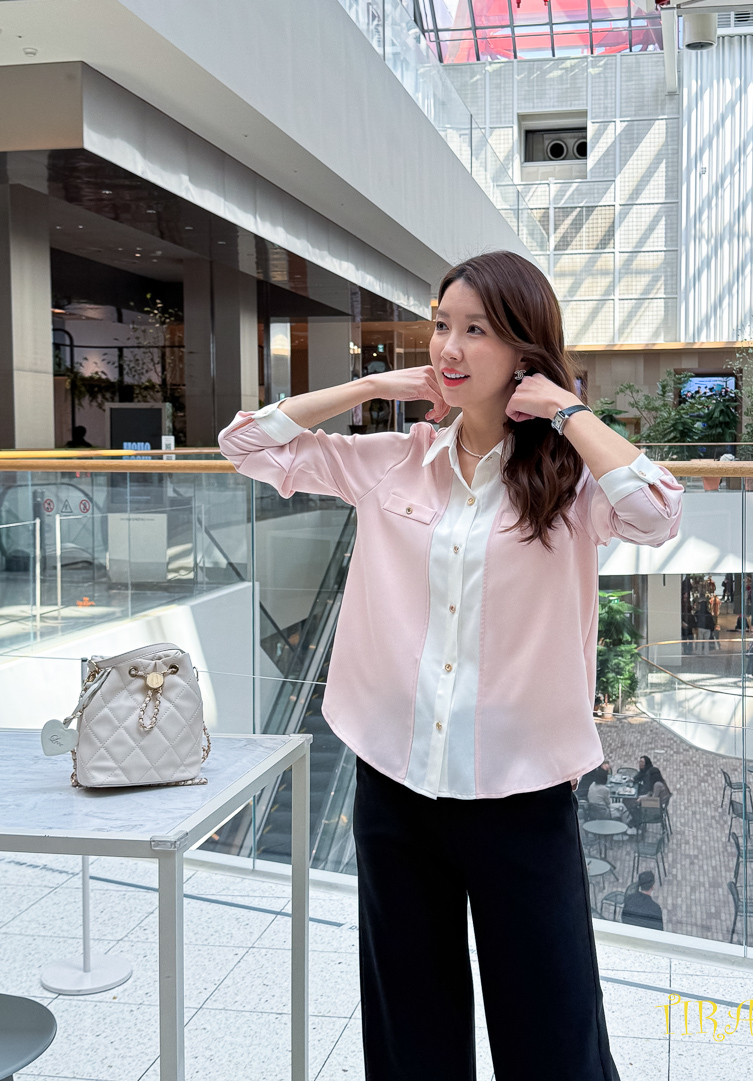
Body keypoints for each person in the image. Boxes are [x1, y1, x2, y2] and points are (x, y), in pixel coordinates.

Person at [218, 251, 683, 1081]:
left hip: (521, 795)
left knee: (554, 1035)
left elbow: (655, 511)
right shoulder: (394, 459)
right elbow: (245, 443)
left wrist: (566, 407)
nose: (450, 347)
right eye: (441, 325)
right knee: (411, 1035)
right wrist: (370, 388)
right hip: (395, 787)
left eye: (477, 329)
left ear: (523, 349)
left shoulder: (570, 482)